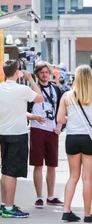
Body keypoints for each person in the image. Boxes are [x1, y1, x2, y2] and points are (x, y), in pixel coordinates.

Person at [0, 60, 45, 218]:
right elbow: (40, 98)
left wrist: (11, 113)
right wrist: (30, 79)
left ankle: (4, 203)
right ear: (17, 72)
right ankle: (9, 208)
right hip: (18, 134)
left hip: (4, 133)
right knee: (12, 173)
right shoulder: (22, 89)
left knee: (6, 170)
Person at [57, 65, 92, 223]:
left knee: (73, 176)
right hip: (89, 138)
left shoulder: (67, 96)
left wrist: (72, 119)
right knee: (87, 179)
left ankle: (66, 211)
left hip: (72, 138)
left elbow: (60, 120)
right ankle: (87, 214)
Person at [27, 61, 64, 208]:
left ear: (50, 74)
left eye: (46, 72)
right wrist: (33, 117)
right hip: (37, 129)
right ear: (37, 74)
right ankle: (39, 197)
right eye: (41, 72)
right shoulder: (32, 90)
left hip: (52, 130)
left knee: (52, 165)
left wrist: (60, 126)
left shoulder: (56, 89)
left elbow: (63, 108)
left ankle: (51, 196)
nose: (44, 75)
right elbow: (25, 110)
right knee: (38, 165)